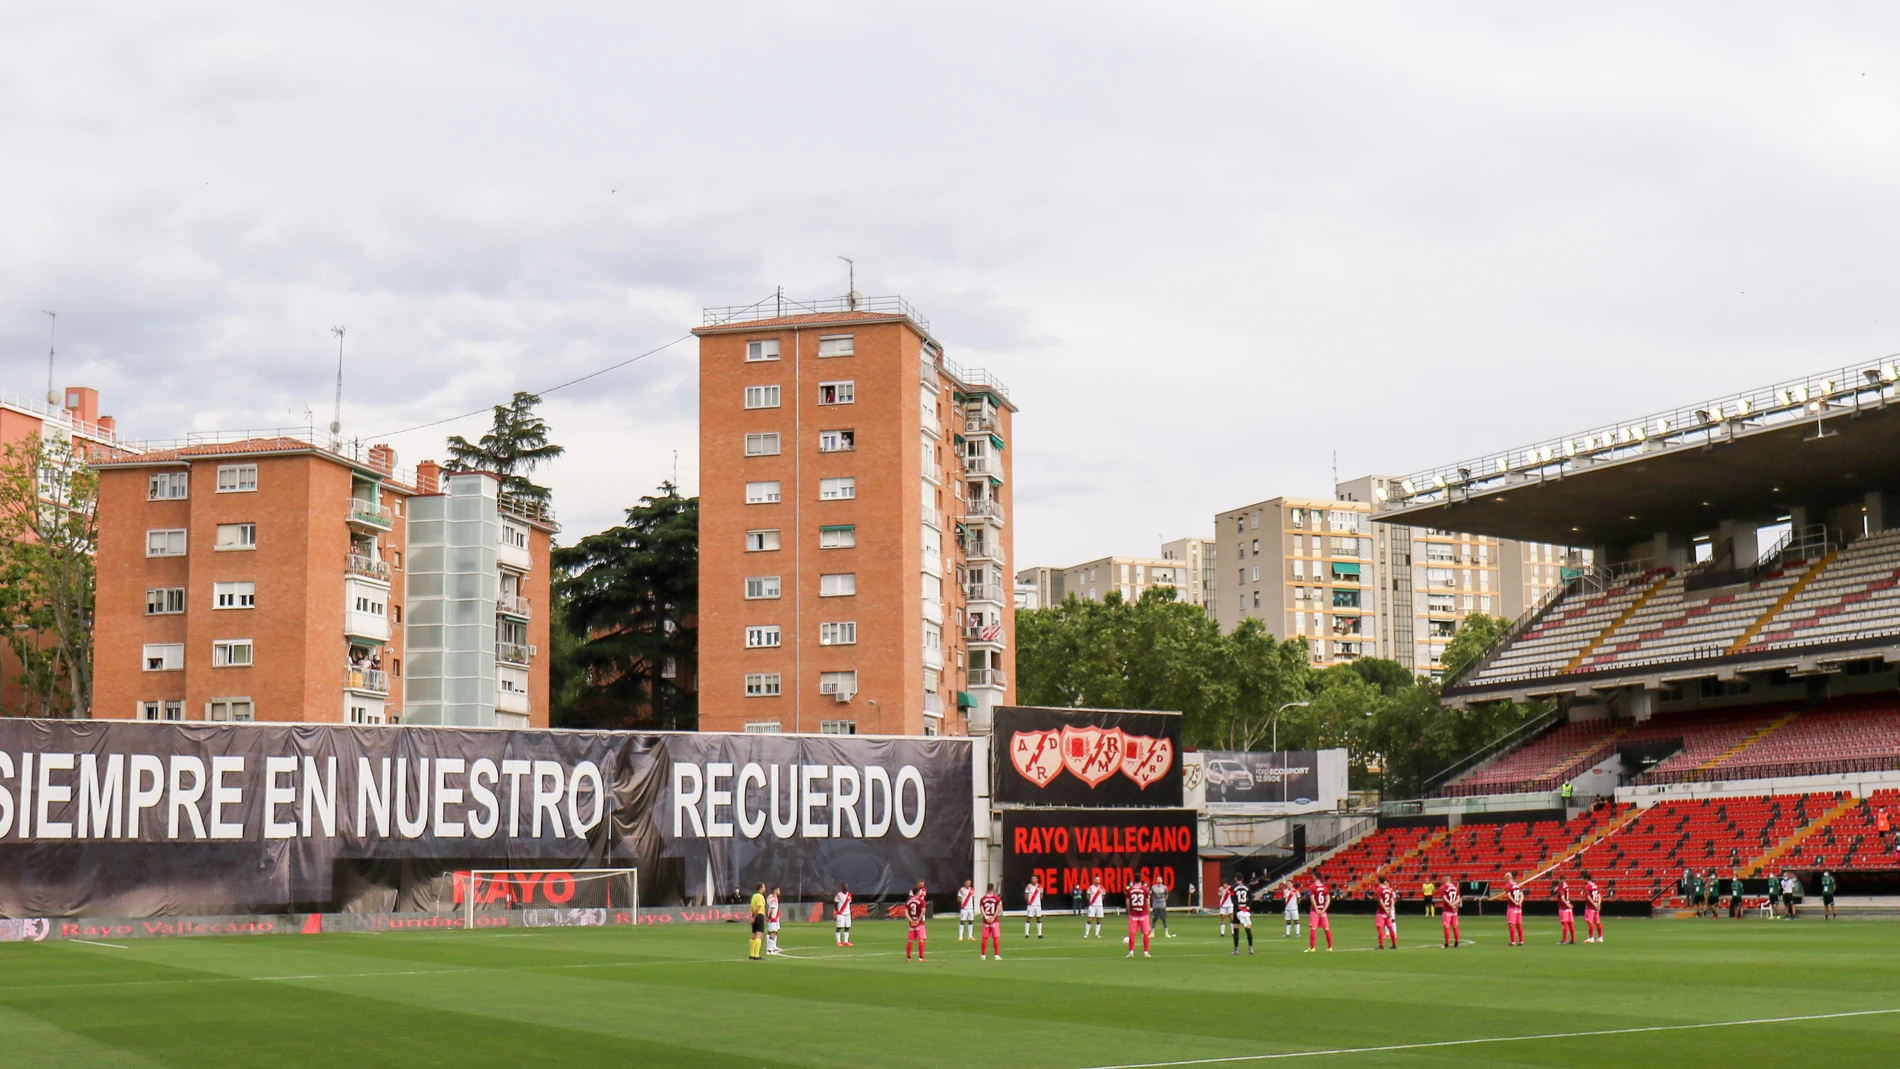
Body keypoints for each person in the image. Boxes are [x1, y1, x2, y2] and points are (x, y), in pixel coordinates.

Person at [1125, 878, 1154, 958]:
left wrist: (1129, 911)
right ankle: (1146, 952)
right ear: (1141, 881)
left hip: (1133, 914)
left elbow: (1127, 903)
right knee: (1145, 933)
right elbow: (1147, 902)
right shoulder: (1145, 890)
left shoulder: (1130, 890)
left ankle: (1131, 951)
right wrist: (1148, 912)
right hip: (1143, 914)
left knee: (1132, 933)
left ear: (1134, 880)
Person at [904, 880, 929, 962]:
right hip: (919, 923)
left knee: (910, 940)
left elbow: (906, 912)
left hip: (912, 924)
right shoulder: (922, 901)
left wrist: (911, 920)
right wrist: (918, 920)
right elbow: (923, 911)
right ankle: (921, 957)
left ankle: (908, 957)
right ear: (918, 892)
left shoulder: (909, 901)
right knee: (921, 939)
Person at [1307, 876, 1334, 952]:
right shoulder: (1325, 888)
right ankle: (1330, 947)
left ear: (1315, 877)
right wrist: (1323, 910)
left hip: (1315, 911)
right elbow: (1328, 899)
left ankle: (1312, 948)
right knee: (1326, 928)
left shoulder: (1312, 887)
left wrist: (1316, 909)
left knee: (1313, 928)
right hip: (1323, 911)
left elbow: (1312, 899)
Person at [978, 882, 1004, 960]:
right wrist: (993, 917)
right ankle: (996, 955)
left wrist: (986, 917)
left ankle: (983, 955)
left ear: (987, 889)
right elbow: (998, 908)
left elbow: (982, 909)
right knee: (995, 938)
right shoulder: (997, 899)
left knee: (984, 938)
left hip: (985, 921)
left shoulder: (983, 899)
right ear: (993, 889)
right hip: (994, 921)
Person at [1229, 874, 1254, 955]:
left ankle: (1236, 949)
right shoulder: (1247, 887)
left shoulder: (1232, 887)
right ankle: (1251, 948)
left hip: (1237, 910)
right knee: (1248, 929)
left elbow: (1233, 900)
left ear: (1235, 878)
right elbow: (1250, 898)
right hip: (1246, 910)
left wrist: (1238, 906)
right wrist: (1248, 907)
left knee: (1236, 929)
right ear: (1242, 879)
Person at [1372, 876, 1399, 949]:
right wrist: (1390, 910)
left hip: (1381, 911)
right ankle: (1394, 944)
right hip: (1388, 910)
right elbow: (1392, 901)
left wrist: (1385, 910)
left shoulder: (1379, 889)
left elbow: (1380, 901)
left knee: (1379, 927)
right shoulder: (1389, 889)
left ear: (1378, 881)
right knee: (1390, 928)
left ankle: (1381, 945)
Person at [1502, 872, 1525, 947]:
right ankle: (1521, 941)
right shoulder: (1517, 885)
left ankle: (1513, 942)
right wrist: (1520, 902)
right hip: (1519, 907)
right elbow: (1522, 895)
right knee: (1519, 924)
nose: (1504, 879)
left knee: (1511, 924)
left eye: (1505, 878)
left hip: (1512, 907)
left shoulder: (1507, 886)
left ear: (1508, 878)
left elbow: (1509, 896)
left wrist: (1514, 902)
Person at [1439, 876, 1462, 948]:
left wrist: (1451, 905)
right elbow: (1458, 899)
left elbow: (1445, 899)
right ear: (1450, 880)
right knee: (1455, 926)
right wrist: (1454, 905)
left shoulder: (1443, 888)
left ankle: (1446, 944)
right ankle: (1457, 943)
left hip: (1447, 910)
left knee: (1446, 926)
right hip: (1454, 910)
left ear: (1444, 880)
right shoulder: (1455, 887)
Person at [747, 882, 767, 961]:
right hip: (759, 916)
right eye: (764, 887)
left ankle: (751, 954)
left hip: (754, 916)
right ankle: (756, 954)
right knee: (759, 935)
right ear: (761, 888)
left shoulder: (754, 896)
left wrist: (751, 917)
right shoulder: (760, 897)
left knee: (754, 934)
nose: (765, 888)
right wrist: (754, 917)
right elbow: (757, 908)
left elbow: (751, 908)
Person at [1583, 873, 1605, 943]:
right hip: (1596, 906)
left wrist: (1594, 904)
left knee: (1590, 922)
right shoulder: (1595, 885)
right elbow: (1599, 895)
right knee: (1597, 922)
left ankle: (1591, 937)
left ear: (1586, 879)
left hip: (1590, 907)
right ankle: (1600, 937)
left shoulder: (1587, 887)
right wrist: (1598, 904)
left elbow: (1588, 897)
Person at [1554, 876, 1576, 945]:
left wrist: (1567, 904)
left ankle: (1564, 940)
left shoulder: (1561, 886)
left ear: (1561, 879)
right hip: (1568, 907)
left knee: (1564, 923)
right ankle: (1573, 940)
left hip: (1564, 907)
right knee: (1570, 923)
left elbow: (1563, 898)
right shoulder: (1566, 885)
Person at [834, 882, 854, 947]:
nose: (846, 888)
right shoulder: (839, 895)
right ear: (842, 887)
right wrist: (838, 911)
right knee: (839, 927)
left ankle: (846, 941)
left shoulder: (849, 895)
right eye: (845, 886)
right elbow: (836, 903)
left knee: (847, 927)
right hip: (841, 914)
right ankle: (838, 941)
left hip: (847, 913)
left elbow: (849, 904)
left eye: (847, 886)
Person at [765, 886, 783, 956]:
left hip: (775, 917)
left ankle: (773, 946)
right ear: (775, 891)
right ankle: (769, 950)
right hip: (773, 918)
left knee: (775, 931)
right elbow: (771, 910)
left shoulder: (770, 897)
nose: (779, 892)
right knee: (772, 932)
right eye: (778, 890)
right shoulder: (773, 900)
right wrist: (769, 917)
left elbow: (767, 906)